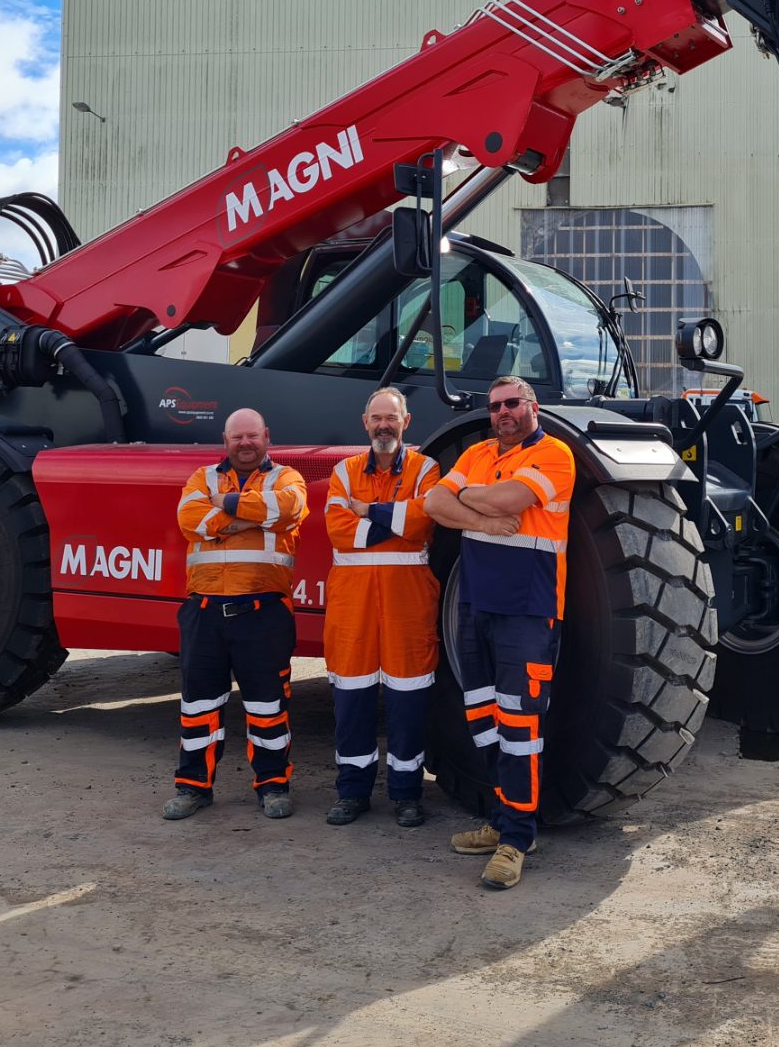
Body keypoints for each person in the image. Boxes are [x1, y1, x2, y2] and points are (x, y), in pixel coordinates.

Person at [423, 375, 575, 890]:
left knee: (520, 728)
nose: (503, 412)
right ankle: (500, 815)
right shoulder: (478, 452)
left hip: (527, 613)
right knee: (483, 719)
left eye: (513, 403)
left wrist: (466, 495)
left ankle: (517, 839)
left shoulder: (556, 454)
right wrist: (483, 521)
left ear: (532, 406)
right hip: (476, 608)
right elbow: (433, 507)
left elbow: (511, 499)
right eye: (495, 406)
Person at [322, 387, 484, 829]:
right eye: (376, 418)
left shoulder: (425, 469)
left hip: (407, 608)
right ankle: (352, 793)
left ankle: (406, 795)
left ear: (405, 423)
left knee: (408, 704)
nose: (383, 426)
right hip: (352, 609)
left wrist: (368, 510)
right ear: (365, 423)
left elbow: (423, 519)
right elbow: (340, 530)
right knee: (351, 703)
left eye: (391, 418)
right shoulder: (343, 471)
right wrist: (394, 519)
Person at [165, 407, 307, 821]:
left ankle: (273, 787)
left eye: (252, 437)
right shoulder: (201, 478)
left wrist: (225, 506)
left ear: (267, 437)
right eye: (236, 438)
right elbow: (189, 518)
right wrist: (253, 518)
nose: (245, 444)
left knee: (268, 706)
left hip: (262, 613)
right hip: (203, 613)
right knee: (198, 705)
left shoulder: (287, 478)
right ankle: (192, 787)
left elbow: (287, 509)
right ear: (225, 441)